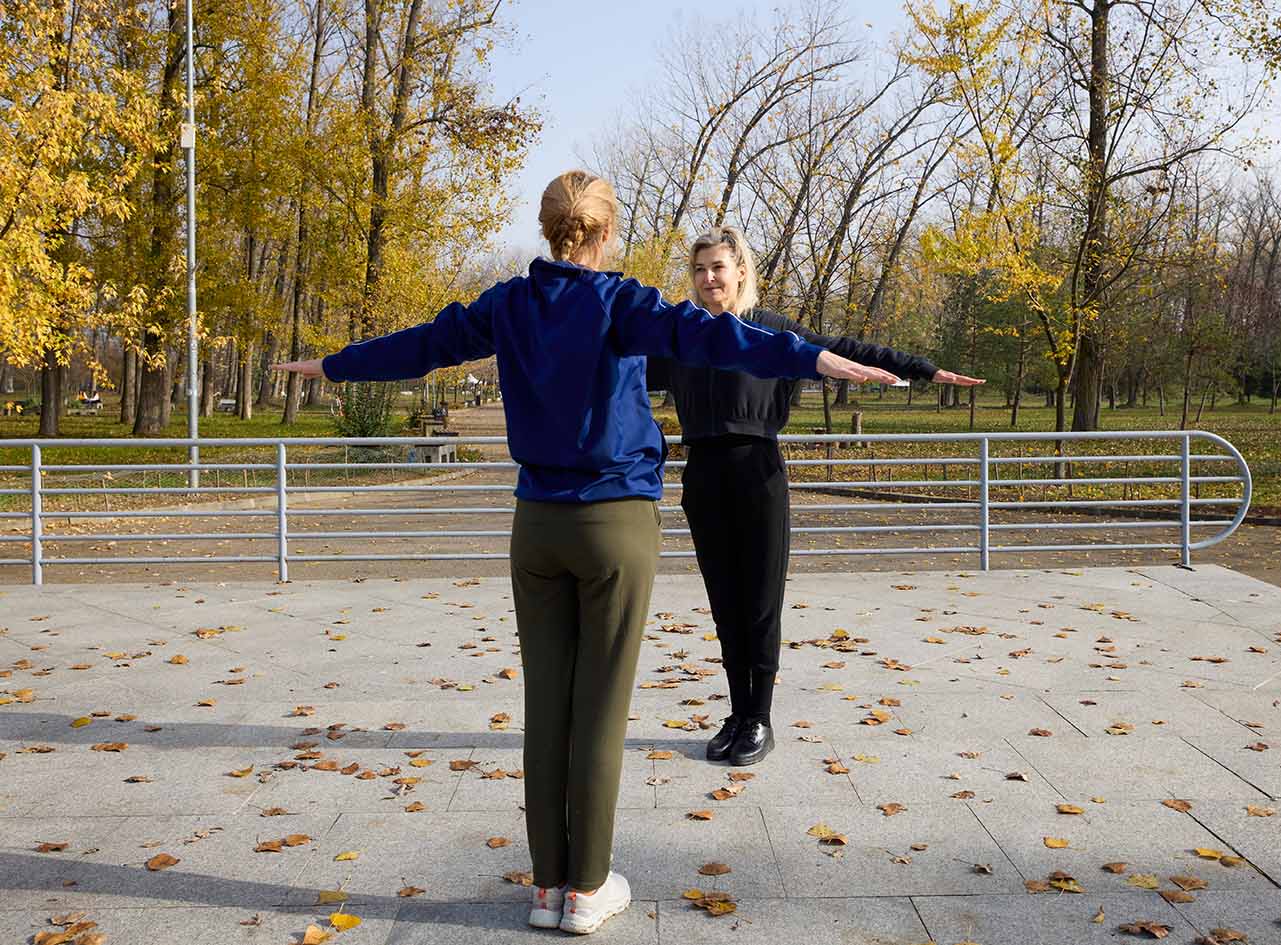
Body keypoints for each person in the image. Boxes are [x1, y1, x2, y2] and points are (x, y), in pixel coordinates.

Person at [276, 172, 898, 936]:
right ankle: (586, 890)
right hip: (613, 523)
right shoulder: (620, 302)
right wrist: (817, 360)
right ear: (604, 234)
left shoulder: (507, 303)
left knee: (547, 708)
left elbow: (424, 346)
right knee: (599, 714)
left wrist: (332, 365)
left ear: (549, 230)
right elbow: (717, 333)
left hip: (535, 522)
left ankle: (546, 886)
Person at [650, 225, 985, 767]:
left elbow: (845, 349)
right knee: (724, 603)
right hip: (703, 474)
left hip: (758, 472)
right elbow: (619, 365)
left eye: (718, 267)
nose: (709, 278)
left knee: (759, 602)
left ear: (740, 271)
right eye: (699, 269)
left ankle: (759, 718)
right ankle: (735, 714)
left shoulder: (770, 330)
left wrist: (921, 369)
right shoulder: (681, 336)